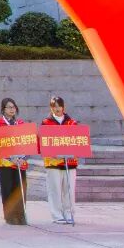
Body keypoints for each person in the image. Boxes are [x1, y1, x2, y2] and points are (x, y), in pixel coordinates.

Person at [42, 95, 79, 224]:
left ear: (63, 107)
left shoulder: (72, 123)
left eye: (59, 106)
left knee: (69, 190)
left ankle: (69, 213)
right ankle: (57, 215)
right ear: (51, 108)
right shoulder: (46, 123)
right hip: (53, 162)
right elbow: (43, 142)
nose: (57, 109)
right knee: (55, 190)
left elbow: (78, 140)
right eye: (54, 106)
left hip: (69, 162)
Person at [0, 97, 28, 225]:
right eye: (9, 107)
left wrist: (23, 157)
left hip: (20, 161)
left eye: (13, 107)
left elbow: (28, 142)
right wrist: (10, 157)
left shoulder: (20, 124)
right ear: (3, 109)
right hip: (6, 162)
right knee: (8, 188)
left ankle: (21, 215)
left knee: (20, 188)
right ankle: (10, 216)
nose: (11, 109)